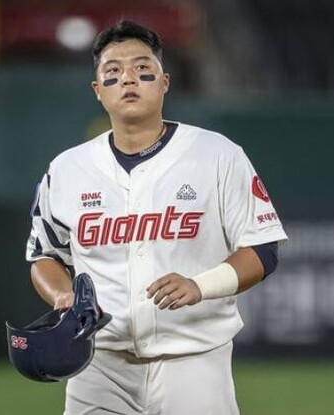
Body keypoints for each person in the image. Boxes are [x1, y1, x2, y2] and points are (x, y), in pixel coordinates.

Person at [26, 20, 287, 415]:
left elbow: (263, 248)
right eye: (113, 71)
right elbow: (44, 255)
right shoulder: (67, 169)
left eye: (142, 68)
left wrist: (200, 285)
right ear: (98, 90)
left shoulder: (217, 154)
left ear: (164, 82)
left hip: (195, 359)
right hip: (98, 364)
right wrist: (63, 296)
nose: (128, 78)